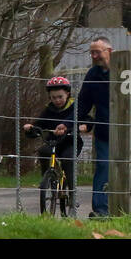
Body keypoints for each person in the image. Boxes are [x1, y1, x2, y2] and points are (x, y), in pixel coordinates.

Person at [22, 76, 83, 206]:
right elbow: (39, 125)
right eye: (54, 98)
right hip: (54, 142)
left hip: (70, 141)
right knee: (43, 151)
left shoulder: (74, 107)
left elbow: (86, 118)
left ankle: (72, 193)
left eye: (60, 97)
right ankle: (47, 177)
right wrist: (31, 129)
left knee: (68, 159)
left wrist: (84, 126)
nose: (57, 100)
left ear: (67, 94)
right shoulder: (48, 110)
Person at [76, 37, 112, 217]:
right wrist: (74, 121)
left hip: (128, 129)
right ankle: (100, 209)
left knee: (126, 166)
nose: (94, 56)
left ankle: (124, 206)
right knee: (103, 165)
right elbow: (83, 102)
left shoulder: (127, 70)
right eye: (91, 52)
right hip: (104, 130)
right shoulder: (93, 75)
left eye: (97, 51)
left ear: (109, 51)